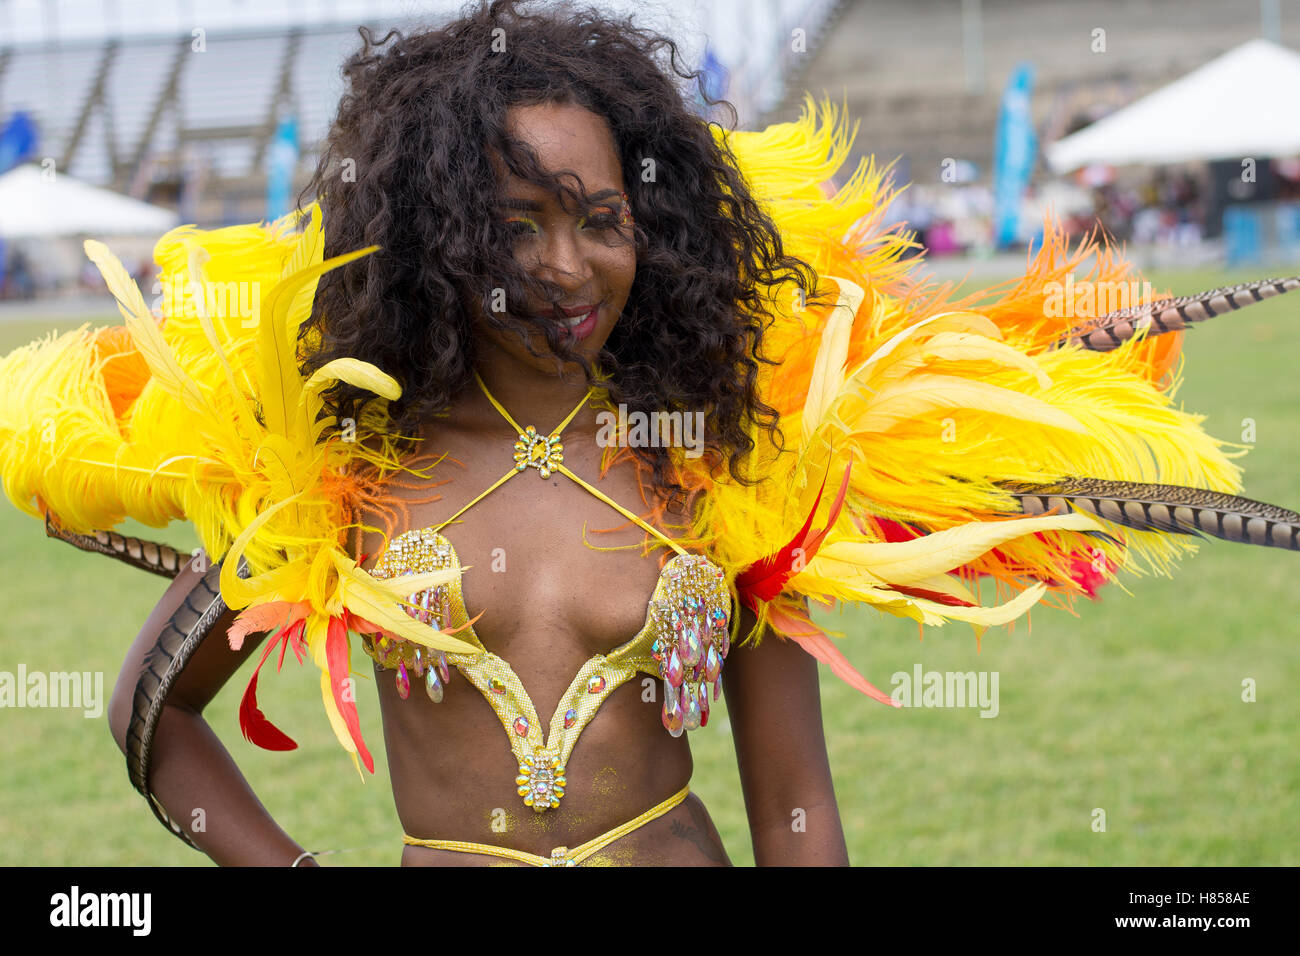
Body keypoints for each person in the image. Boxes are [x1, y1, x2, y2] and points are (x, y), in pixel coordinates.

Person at [7, 0, 1297, 869]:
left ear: (654, 229)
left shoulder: (726, 457)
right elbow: (148, 716)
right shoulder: (343, 465)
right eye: (517, 225)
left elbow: (800, 815)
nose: (568, 266)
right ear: (437, 238)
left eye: (602, 218)